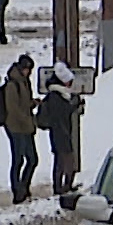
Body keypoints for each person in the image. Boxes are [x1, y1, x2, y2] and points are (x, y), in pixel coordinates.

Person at [36, 62, 82, 196]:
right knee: (64, 160)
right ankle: (62, 186)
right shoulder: (57, 96)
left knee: (62, 160)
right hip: (60, 131)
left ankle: (63, 186)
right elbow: (63, 112)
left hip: (60, 131)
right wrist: (74, 104)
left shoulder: (59, 95)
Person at [3, 56, 35, 204]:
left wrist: (32, 104)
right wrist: (26, 118)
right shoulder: (12, 84)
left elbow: (24, 103)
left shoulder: (24, 82)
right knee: (18, 160)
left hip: (26, 126)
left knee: (32, 159)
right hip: (16, 127)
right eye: (28, 69)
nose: (29, 72)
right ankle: (18, 191)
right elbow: (13, 109)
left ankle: (24, 187)